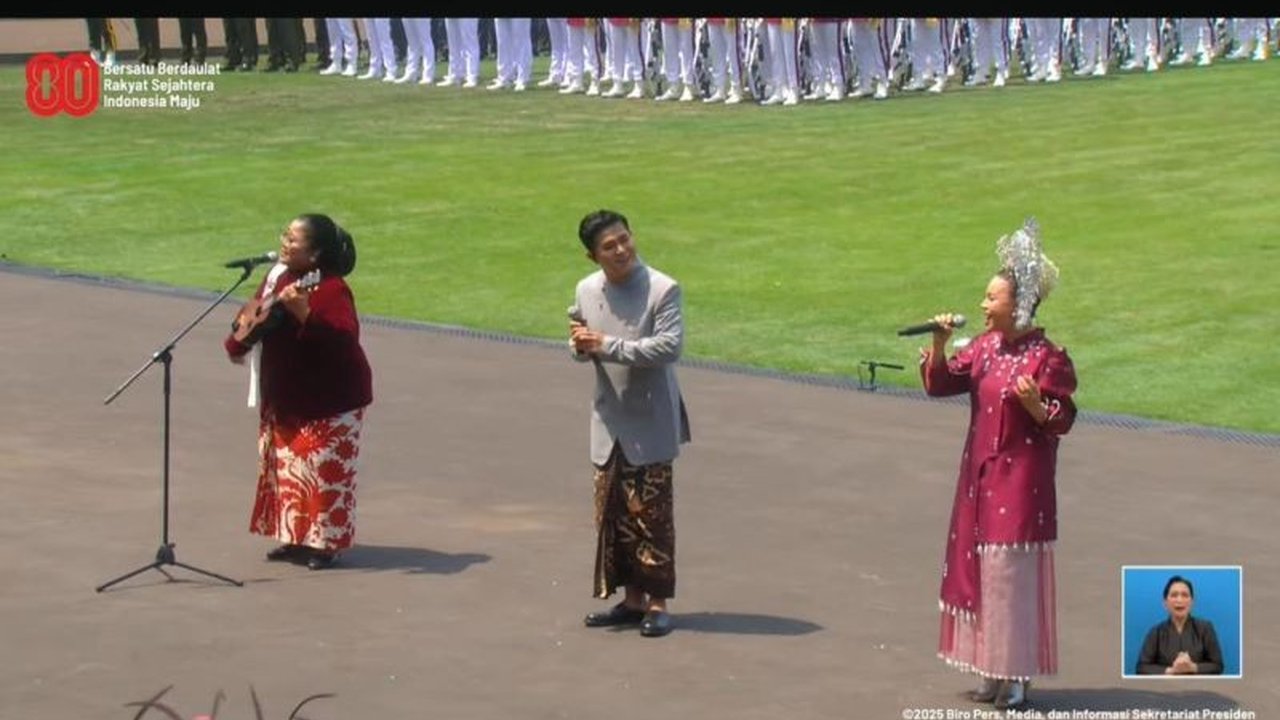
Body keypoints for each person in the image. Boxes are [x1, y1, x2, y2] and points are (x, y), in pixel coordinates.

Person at [921, 217, 1078, 710]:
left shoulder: (1047, 358)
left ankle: (1016, 675)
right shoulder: (985, 348)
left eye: (992, 298)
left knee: (1009, 577)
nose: (983, 305)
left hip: (1020, 485)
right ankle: (990, 670)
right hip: (979, 480)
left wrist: (1036, 407)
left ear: (1019, 304)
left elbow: (1063, 417)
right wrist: (940, 345)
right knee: (981, 573)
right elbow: (940, 384)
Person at [224, 214, 373, 571]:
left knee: (322, 474)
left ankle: (326, 544)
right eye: (285, 236)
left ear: (315, 254)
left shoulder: (332, 289)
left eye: (293, 240)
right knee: (289, 473)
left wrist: (304, 312)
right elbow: (255, 315)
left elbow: (343, 342)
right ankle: (294, 537)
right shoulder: (278, 276)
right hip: (287, 395)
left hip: (329, 400)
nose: (284, 243)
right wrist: (237, 343)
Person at [570, 209, 691, 639]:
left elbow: (668, 348)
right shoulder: (586, 289)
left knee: (651, 516)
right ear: (593, 256)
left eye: (625, 239)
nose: (621, 249)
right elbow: (580, 342)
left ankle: (657, 604)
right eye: (609, 246)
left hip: (650, 418)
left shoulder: (662, 288)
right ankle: (632, 600)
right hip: (608, 420)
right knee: (613, 514)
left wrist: (606, 344)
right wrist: (580, 345)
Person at [1136, 576, 1225, 675]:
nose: (1179, 600)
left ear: (1192, 602)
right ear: (1165, 603)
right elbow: (1141, 667)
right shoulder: (1155, 632)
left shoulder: (1205, 628)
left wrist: (1192, 667)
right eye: (1174, 595)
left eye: (1185, 595)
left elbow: (1217, 666)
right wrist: (1171, 671)